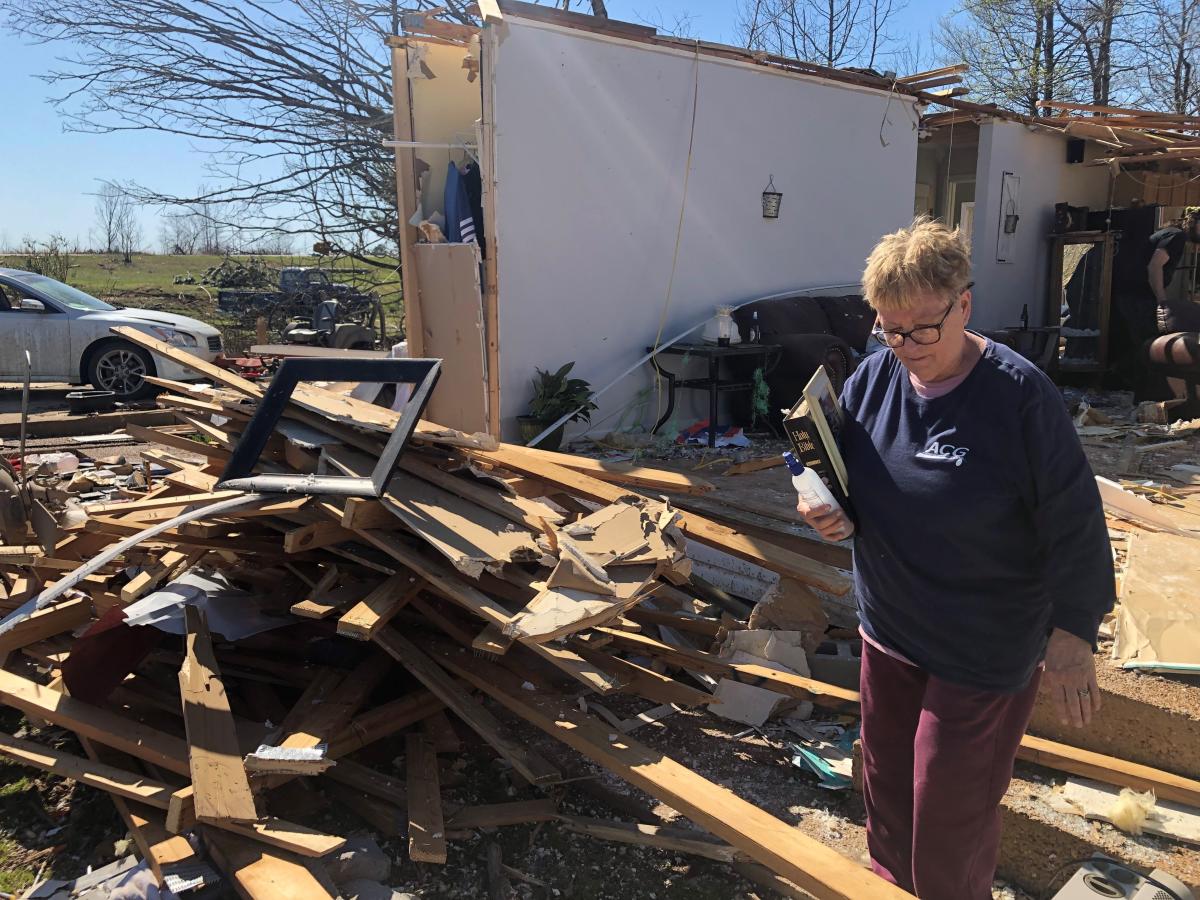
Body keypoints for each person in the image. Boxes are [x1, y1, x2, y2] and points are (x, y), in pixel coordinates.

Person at [798, 218, 1115, 900]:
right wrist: (824, 507)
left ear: (964, 303)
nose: (905, 346)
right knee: (886, 806)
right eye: (889, 329)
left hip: (981, 649)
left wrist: (1074, 630)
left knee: (947, 824)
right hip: (889, 632)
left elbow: (1075, 517)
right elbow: (848, 479)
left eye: (922, 328)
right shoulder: (873, 378)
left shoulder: (1019, 396)